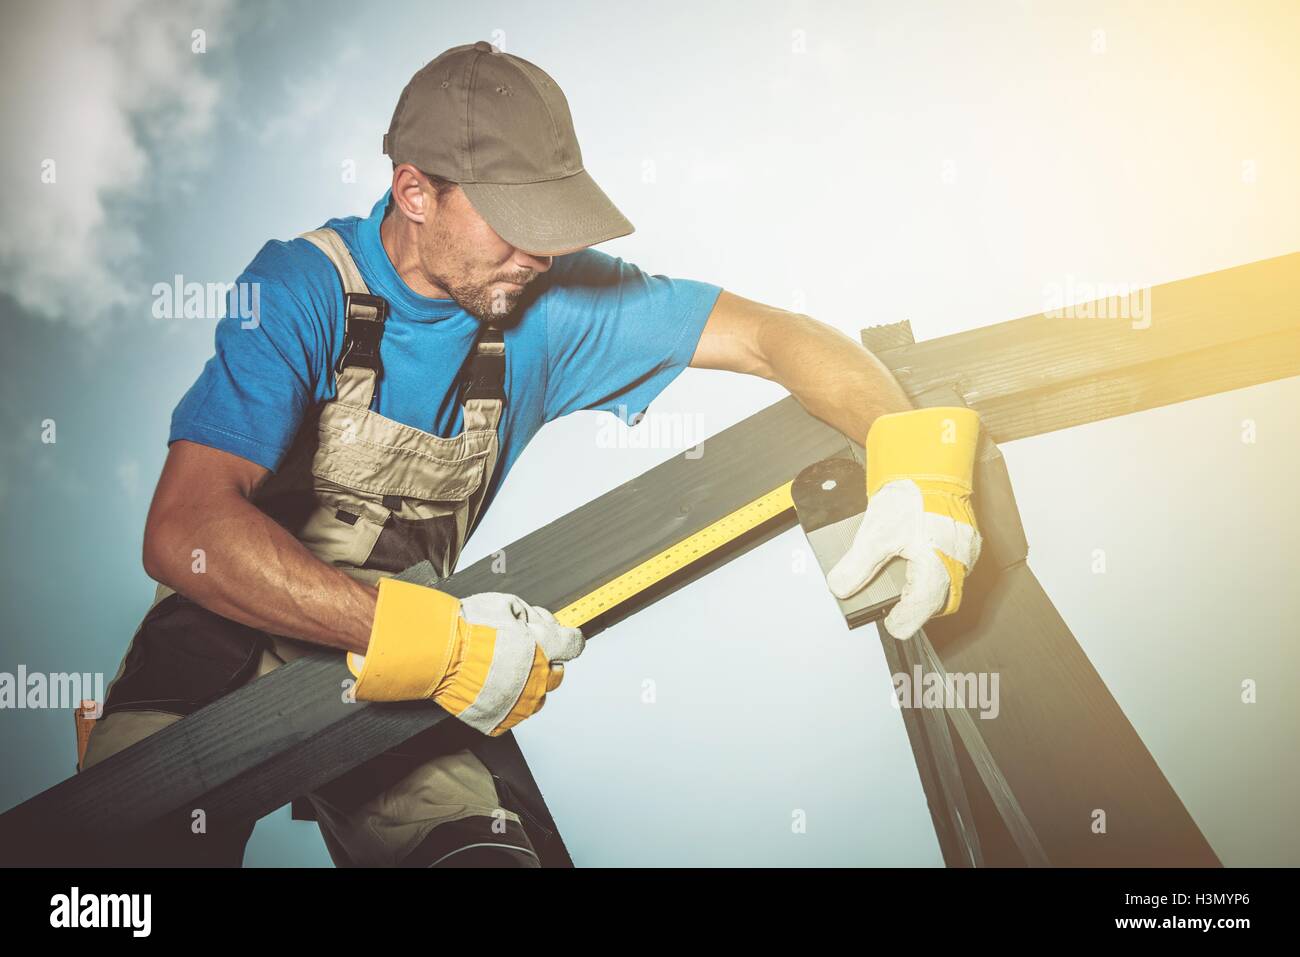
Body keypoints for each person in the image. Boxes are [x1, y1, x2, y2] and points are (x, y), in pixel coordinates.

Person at [80, 40, 982, 867]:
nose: (540, 255)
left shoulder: (545, 310)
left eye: (552, 222)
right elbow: (186, 529)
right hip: (224, 630)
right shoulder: (301, 285)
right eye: (513, 223)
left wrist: (913, 453)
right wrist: (435, 643)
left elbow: (772, 337)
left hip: (397, 663)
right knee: (121, 880)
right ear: (414, 194)